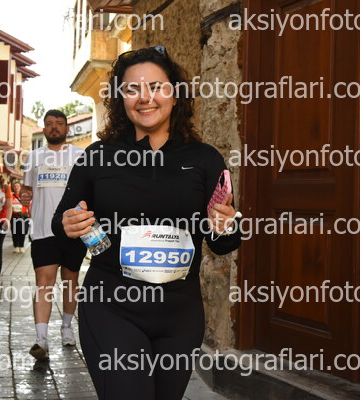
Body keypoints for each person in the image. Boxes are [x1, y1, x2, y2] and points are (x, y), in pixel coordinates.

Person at [51, 46, 241, 399]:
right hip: (112, 307)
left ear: (175, 93)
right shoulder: (98, 157)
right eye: (132, 89)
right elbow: (61, 225)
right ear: (120, 98)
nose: (145, 98)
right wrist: (69, 224)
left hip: (180, 316)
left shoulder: (205, 160)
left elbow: (224, 243)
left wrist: (225, 226)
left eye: (156, 86)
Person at [21, 109, 85, 360]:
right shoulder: (34, 157)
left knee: (70, 281)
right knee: (44, 283)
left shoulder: (79, 155)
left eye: (59, 123)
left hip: (72, 229)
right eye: (49, 123)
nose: (54, 127)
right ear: (44, 128)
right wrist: (24, 196)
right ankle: (41, 339)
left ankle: (67, 327)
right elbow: (26, 190)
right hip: (43, 229)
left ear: (67, 128)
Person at [10, 181, 29, 253]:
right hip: (14, 215)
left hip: (23, 215)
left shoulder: (24, 196)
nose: (16, 188)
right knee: (14, 231)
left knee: (23, 231)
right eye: (15, 186)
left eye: (18, 186)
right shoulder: (11, 196)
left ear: (20, 187)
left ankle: (21, 246)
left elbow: (28, 205)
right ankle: (16, 246)